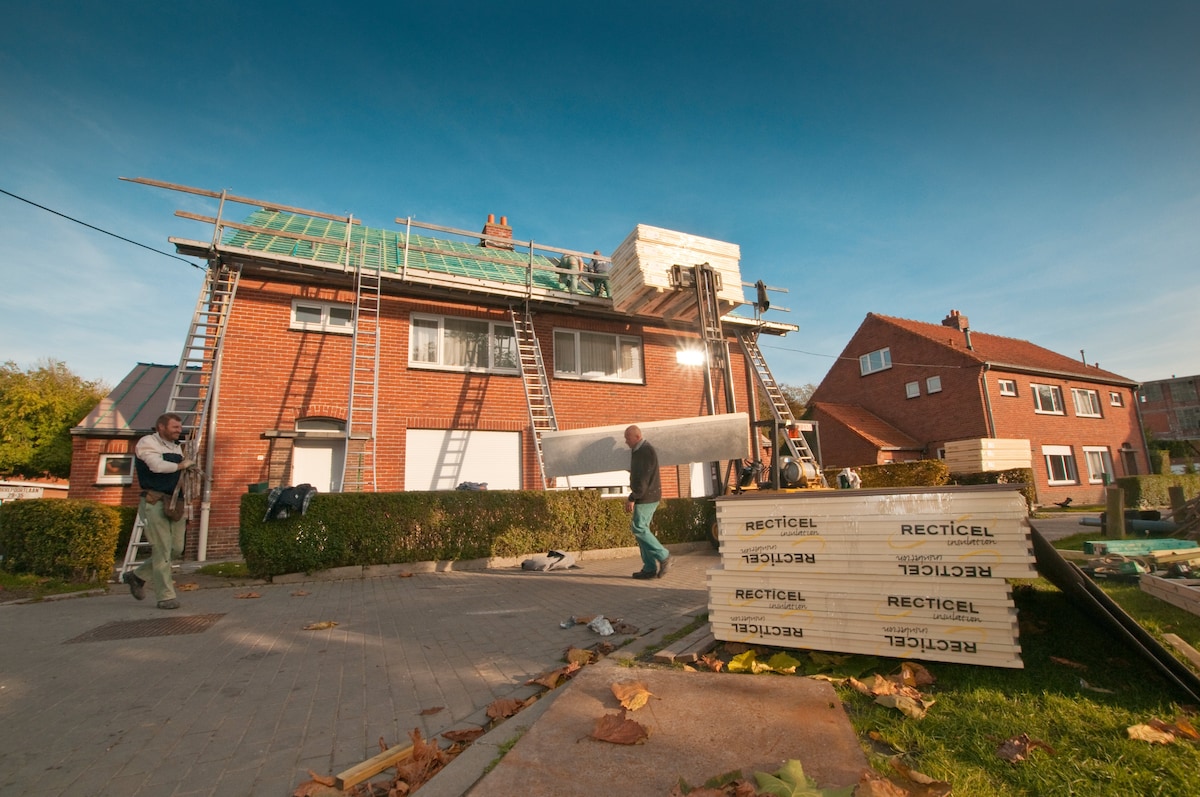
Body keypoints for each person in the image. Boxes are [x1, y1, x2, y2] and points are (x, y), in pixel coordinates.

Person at [124, 412, 195, 609]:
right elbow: (156, 466)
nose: (179, 431)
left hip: (175, 502)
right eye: (175, 427)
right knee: (162, 549)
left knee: (176, 548)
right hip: (155, 501)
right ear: (161, 427)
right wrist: (181, 465)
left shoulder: (176, 447)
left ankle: (137, 576)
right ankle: (165, 596)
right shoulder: (147, 443)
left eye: (180, 427)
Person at [624, 425, 669, 579]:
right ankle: (649, 568)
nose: (626, 441)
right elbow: (641, 474)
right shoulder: (639, 451)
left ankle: (664, 556)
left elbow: (643, 479)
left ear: (637, 437)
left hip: (646, 496)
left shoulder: (644, 452)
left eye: (627, 438)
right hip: (648, 495)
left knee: (639, 528)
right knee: (642, 531)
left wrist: (633, 497)